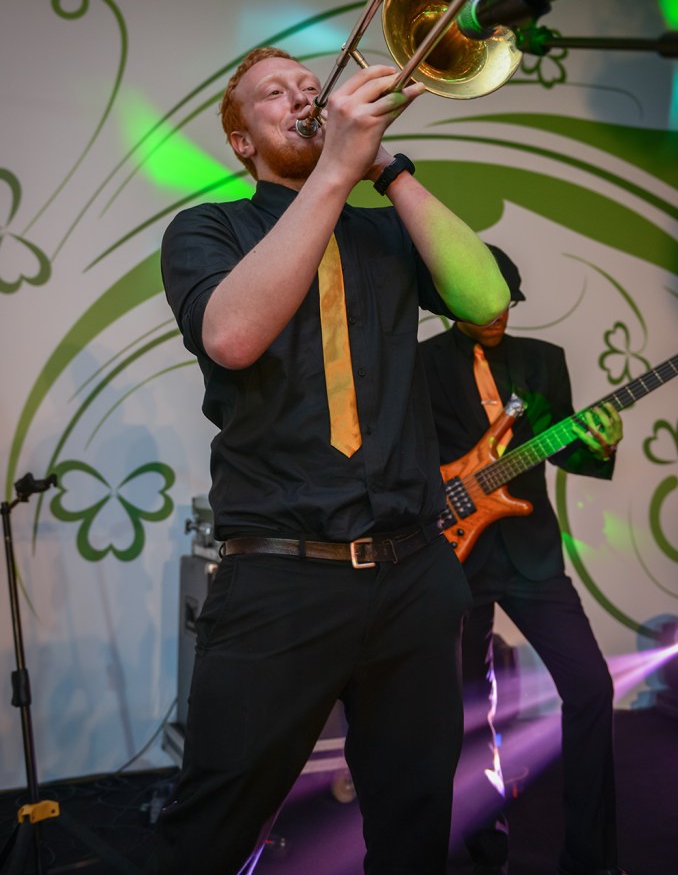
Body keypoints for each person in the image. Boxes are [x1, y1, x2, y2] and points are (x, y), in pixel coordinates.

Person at [151, 46, 510, 875]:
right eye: (275, 95)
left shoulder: (385, 230)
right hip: (282, 575)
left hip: (413, 571)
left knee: (415, 823)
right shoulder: (210, 229)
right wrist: (335, 169)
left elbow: (487, 304)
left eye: (312, 88)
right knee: (211, 827)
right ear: (241, 142)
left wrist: (386, 168)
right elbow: (232, 337)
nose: (304, 100)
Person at [418, 245, 630, 875]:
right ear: (451, 306)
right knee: (465, 710)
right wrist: (444, 494)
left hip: (532, 554)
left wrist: (600, 445)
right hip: (456, 555)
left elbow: (563, 446)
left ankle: (591, 859)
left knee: (591, 688)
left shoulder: (544, 360)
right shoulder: (419, 365)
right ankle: (484, 848)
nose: (498, 318)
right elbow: (403, 460)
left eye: (506, 306)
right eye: (483, 310)